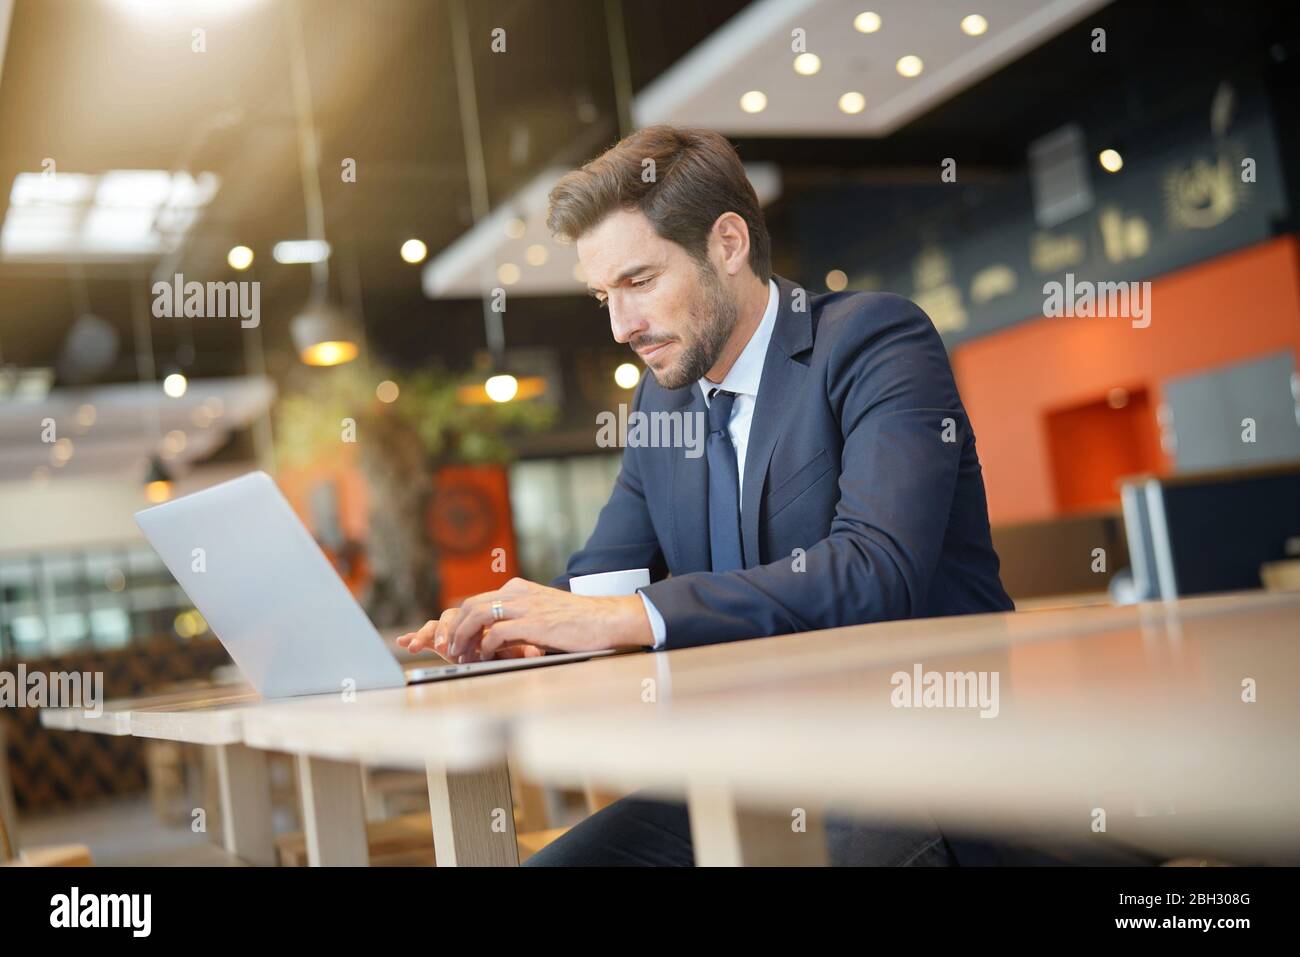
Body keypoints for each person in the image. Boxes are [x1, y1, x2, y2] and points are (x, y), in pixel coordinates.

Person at [399, 125, 1019, 865]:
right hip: (748, 769)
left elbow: (876, 569)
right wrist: (515, 625)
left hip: (914, 764)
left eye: (639, 282)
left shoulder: (872, 341)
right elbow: (603, 577)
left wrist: (620, 618)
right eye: (603, 295)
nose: (621, 326)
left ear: (728, 245)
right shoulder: (662, 407)